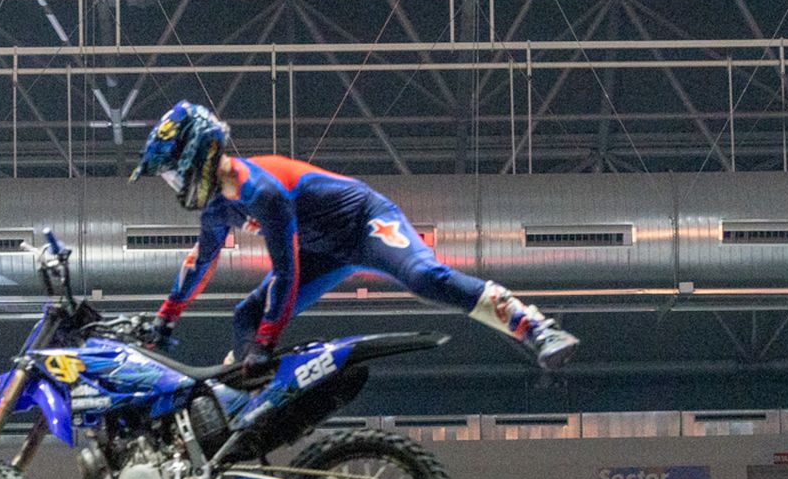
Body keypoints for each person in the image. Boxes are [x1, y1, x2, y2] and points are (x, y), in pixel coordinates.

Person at [133, 101, 579, 370]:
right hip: (324, 248)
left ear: (199, 154)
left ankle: (536, 327)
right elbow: (202, 259)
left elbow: (285, 273)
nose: (175, 184)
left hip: (365, 224)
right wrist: (166, 316)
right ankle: (241, 409)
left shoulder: (260, 189)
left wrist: (266, 343)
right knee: (243, 316)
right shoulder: (219, 204)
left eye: (175, 172)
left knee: (426, 279)